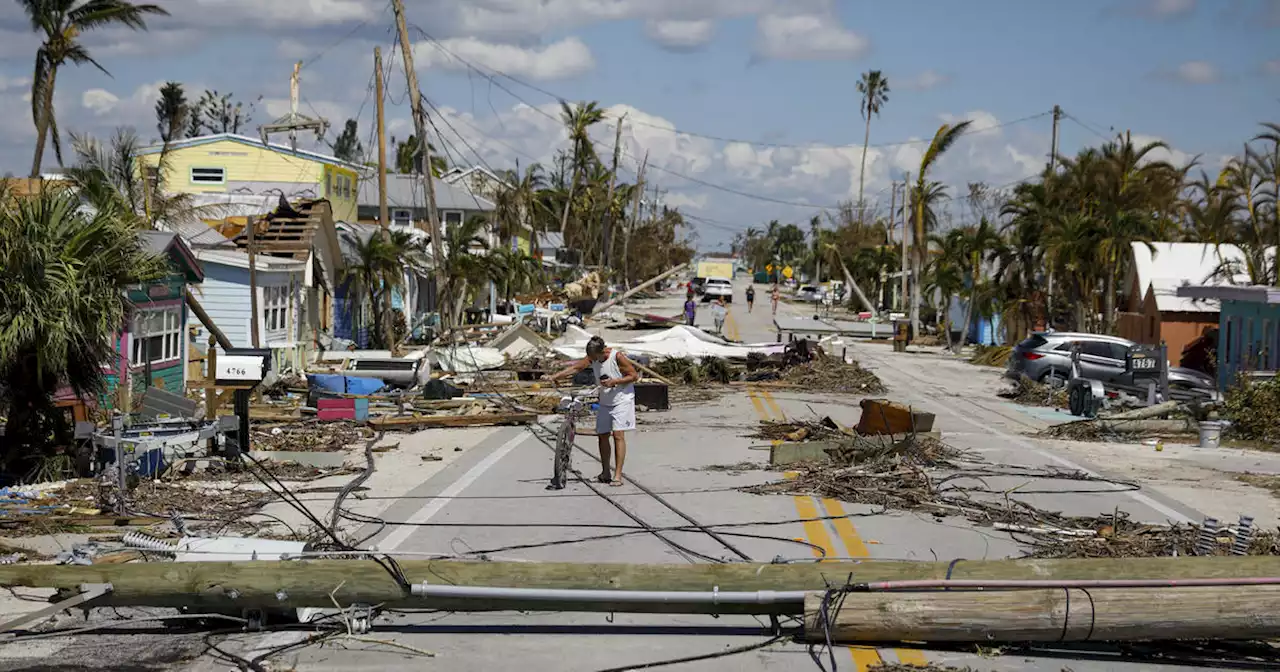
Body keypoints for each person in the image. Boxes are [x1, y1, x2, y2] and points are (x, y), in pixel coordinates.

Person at [543, 336, 638, 487]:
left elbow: (634, 376)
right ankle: (605, 471)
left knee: (618, 435)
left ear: (602, 352)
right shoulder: (592, 358)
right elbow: (576, 368)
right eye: (591, 357)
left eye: (595, 357)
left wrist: (614, 381)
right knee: (602, 435)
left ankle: (618, 475)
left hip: (622, 400)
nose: (593, 360)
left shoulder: (617, 357)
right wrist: (555, 376)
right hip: (605, 401)